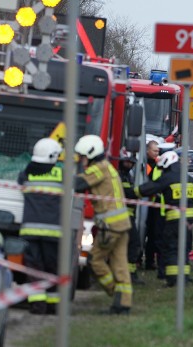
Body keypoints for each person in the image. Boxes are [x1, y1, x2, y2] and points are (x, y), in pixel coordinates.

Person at [74, 135, 132, 315]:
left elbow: (78, 184)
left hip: (110, 226)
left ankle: (115, 292)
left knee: (94, 260)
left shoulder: (97, 169)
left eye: (83, 157)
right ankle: (123, 303)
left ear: (91, 154)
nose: (82, 161)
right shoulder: (107, 167)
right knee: (120, 264)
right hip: (122, 225)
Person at [134, 150, 193, 287]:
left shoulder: (167, 178)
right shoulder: (190, 179)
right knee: (185, 248)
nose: (163, 171)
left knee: (171, 248)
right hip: (189, 223)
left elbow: (148, 189)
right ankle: (184, 278)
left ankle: (172, 279)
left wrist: (132, 192)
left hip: (173, 222)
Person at [18, 138, 64, 315]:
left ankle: (38, 305)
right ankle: (53, 305)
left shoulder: (26, 174)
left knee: (34, 268)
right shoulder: (61, 174)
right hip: (53, 233)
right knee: (52, 268)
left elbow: (20, 181)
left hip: (30, 232)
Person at [118, 148, 144, 285]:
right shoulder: (119, 175)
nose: (130, 165)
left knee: (130, 245)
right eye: (128, 162)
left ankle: (128, 274)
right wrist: (140, 191)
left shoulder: (128, 175)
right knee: (134, 244)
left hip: (128, 216)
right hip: (122, 217)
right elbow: (127, 193)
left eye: (131, 163)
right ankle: (129, 274)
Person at [143, 140, 161, 272]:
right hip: (145, 203)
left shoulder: (157, 164)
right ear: (148, 150)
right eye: (155, 151)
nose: (157, 153)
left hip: (154, 205)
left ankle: (150, 261)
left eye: (158, 151)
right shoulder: (145, 165)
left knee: (153, 234)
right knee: (145, 233)